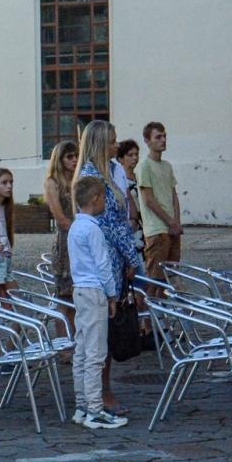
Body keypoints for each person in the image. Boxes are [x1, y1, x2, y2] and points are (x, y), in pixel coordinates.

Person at [74, 119, 141, 416]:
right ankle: (97, 393)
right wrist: (132, 255)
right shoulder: (92, 176)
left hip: (116, 256)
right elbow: (111, 225)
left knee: (107, 329)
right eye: (112, 141)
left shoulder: (111, 171)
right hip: (105, 260)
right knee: (97, 332)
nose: (117, 145)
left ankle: (101, 389)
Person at [68, 176, 127, 430]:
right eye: (103, 197)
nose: (105, 201)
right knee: (95, 352)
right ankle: (94, 409)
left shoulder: (74, 227)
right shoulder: (93, 229)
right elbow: (103, 265)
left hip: (79, 290)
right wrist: (112, 294)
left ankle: (82, 405)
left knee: (81, 349)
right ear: (95, 199)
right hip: (95, 292)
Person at [136, 121, 182, 290]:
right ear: (147, 141)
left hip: (172, 228)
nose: (163, 140)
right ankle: (150, 315)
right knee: (155, 279)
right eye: (158, 137)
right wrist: (170, 221)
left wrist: (176, 221)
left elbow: (173, 196)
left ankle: (166, 313)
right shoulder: (144, 166)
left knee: (172, 276)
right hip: (156, 229)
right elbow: (149, 200)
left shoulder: (167, 166)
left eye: (164, 136)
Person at [42, 140, 79, 325]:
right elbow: (60, 218)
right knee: (64, 297)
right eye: (69, 156)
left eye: (76, 156)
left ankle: (75, 342)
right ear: (60, 159)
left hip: (78, 238)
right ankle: (65, 345)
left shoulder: (77, 180)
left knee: (76, 298)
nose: (74, 160)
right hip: (65, 242)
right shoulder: (53, 182)